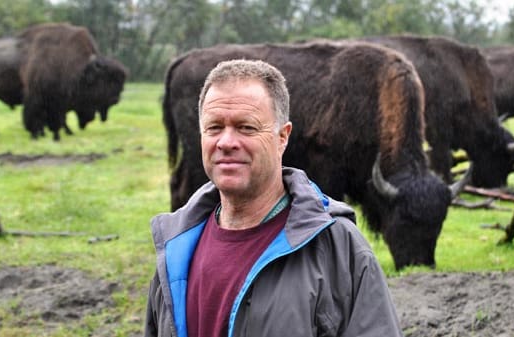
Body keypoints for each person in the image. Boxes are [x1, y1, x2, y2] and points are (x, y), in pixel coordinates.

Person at [144, 59, 403, 337]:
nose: (227, 142)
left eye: (247, 127)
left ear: (283, 137)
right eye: (214, 127)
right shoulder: (174, 248)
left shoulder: (339, 248)